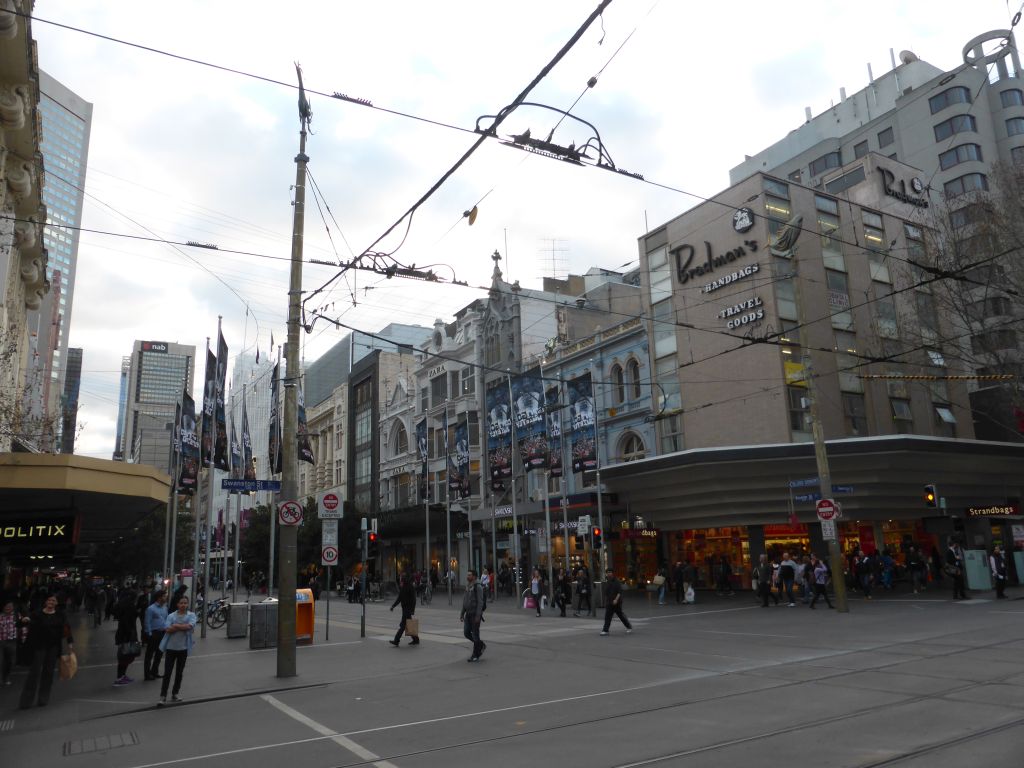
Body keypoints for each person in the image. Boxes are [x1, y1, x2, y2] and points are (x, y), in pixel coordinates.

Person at [19, 593, 73, 709]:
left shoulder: (60, 615)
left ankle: (43, 698)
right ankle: (26, 701)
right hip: (38, 647)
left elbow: (66, 629)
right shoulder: (37, 614)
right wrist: (25, 620)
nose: (51, 602)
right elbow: (23, 622)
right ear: (45, 602)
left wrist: (70, 644)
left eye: (53, 601)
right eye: (49, 600)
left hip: (53, 648)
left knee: (48, 673)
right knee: (34, 673)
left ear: (56, 603)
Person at [158, 595, 197, 705]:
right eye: (181, 603)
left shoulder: (191, 615)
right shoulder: (171, 615)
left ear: (188, 604)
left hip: (183, 649)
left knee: (179, 673)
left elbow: (190, 627)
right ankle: (163, 696)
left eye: (185, 603)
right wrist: (182, 626)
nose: (183, 605)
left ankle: (175, 693)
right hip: (171, 648)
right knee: (167, 673)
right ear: (177, 604)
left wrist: (175, 626)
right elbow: (167, 629)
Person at [113, 588, 141, 686]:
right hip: (127, 635)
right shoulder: (129, 606)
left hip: (122, 634)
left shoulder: (121, 605)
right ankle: (120, 677)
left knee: (124, 656)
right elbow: (128, 622)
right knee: (125, 656)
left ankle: (122, 676)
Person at [459, 569, 485, 662]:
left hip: (474, 614)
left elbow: (480, 602)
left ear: (474, 576)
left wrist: (478, 616)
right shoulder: (468, 586)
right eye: (467, 575)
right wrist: (462, 613)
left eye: (469, 575)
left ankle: (475, 654)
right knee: (466, 633)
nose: (467, 576)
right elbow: (465, 601)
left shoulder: (478, 587)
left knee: (475, 635)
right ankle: (480, 645)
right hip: (468, 614)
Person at [143, 589, 168, 681]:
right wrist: (149, 634)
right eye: (164, 596)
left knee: (159, 654)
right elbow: (147, 622)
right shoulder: (151, 608)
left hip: (163, 633)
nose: (166, 598)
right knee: (149, 655)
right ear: (159, 597)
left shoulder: (165, 608)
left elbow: (165, 620)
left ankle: (154, 671)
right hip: (154, 633)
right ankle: (147, 674)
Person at [389, 575, 419, 646]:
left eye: (400, 581)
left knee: (403, 625)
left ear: (403, 581)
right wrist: (393, 606)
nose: (400, 583)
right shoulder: (403, 588)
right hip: (405, 609)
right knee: (409, 625)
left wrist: (412, 610)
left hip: (407, 610)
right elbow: (399, 599)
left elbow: (413, 600)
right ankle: (416, 639)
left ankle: (396, 640)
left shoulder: (410, 587)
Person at [1, 599, 21, 686]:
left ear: (13, 607)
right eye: (6, 606)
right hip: (1, 641)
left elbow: (22, 627)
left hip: (12, 641)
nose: (8, 608)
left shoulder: (17, 616)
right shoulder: (0, 616)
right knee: (1, 661)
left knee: (10, 661)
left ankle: (6, 677)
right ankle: (1, 679)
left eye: (10, 606)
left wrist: (22, 639)